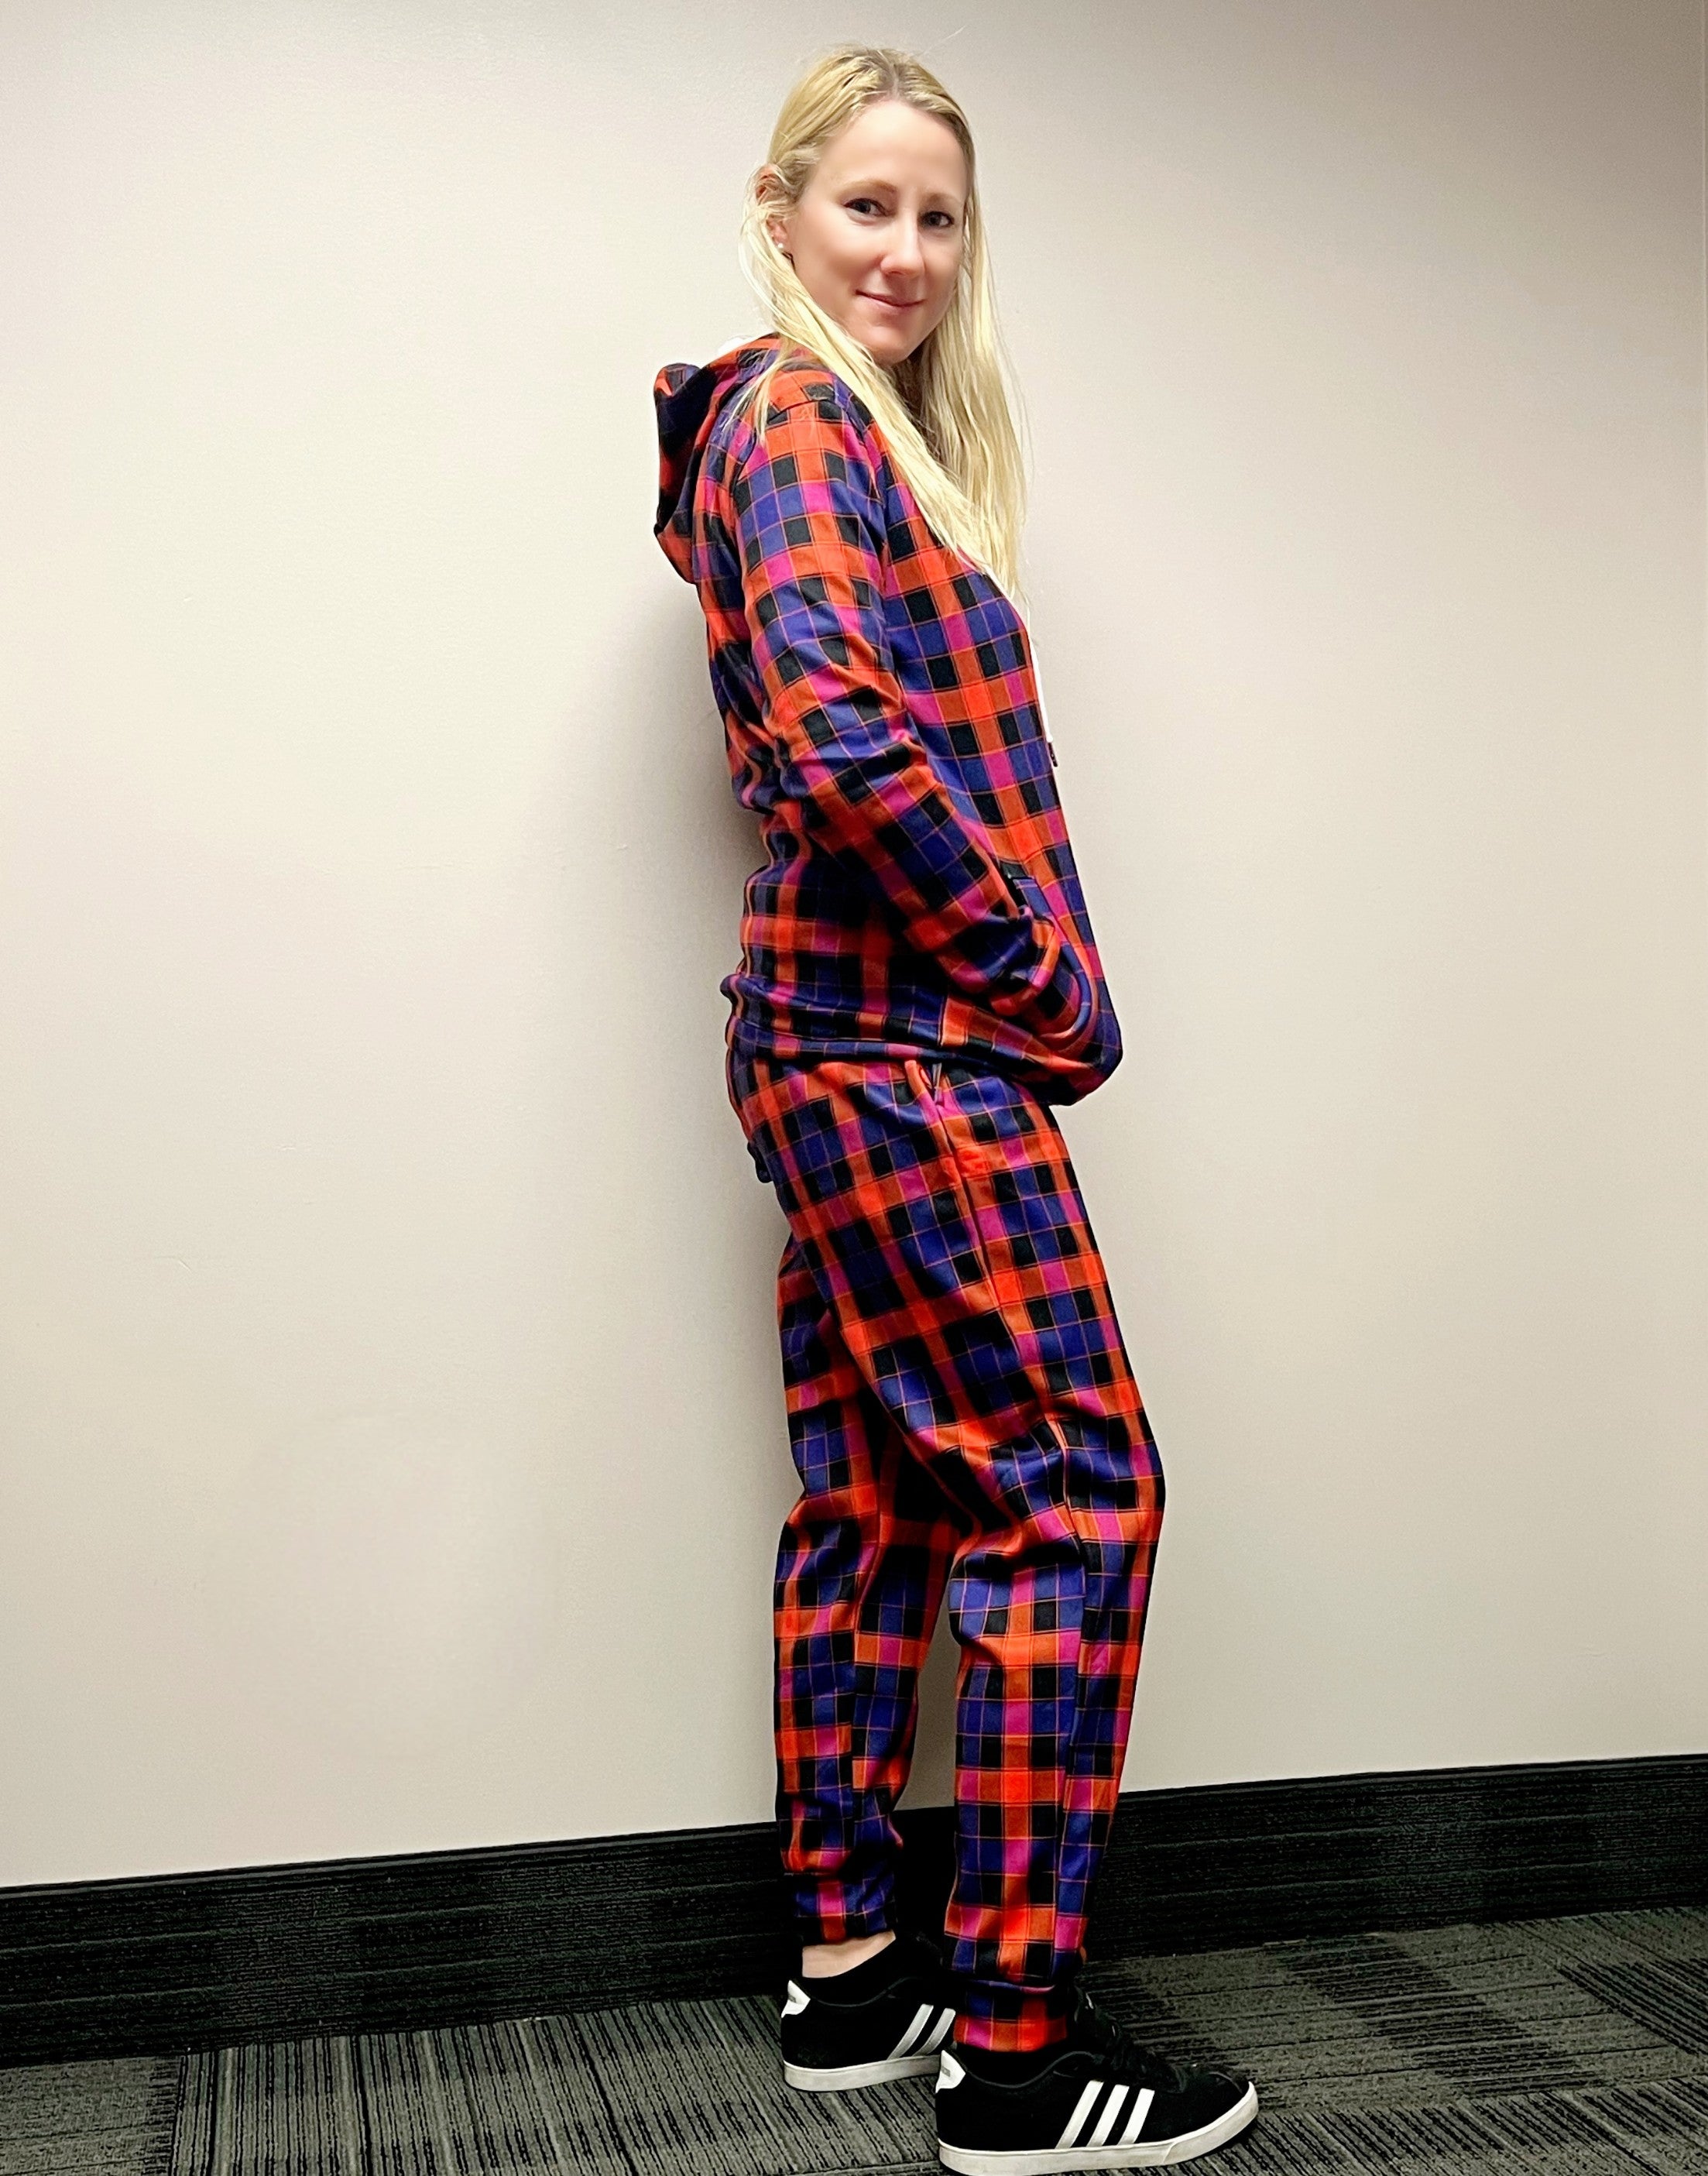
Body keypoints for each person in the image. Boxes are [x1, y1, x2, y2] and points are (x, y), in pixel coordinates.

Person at [652, 43, 1257, 2174]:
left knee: (881, 1499)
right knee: (1077, 1489)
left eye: (939, 216)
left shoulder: (811, 430)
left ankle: (851, 1969)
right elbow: (839, 735)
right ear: (780, 212)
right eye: (868, 206)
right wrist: (1041, 976)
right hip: (898, 1043)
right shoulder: (803, 422)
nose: (906, 251)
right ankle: (1012, 2050)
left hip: (827, 1034)